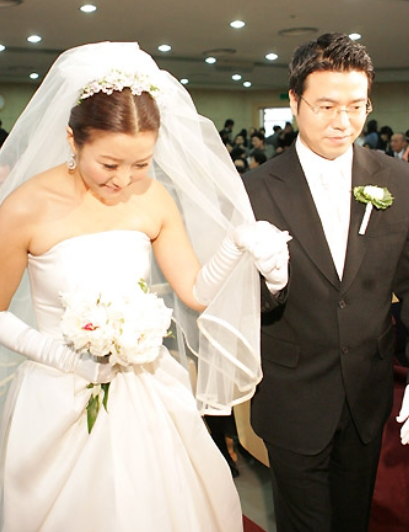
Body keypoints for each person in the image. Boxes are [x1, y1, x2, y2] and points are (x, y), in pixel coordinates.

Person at [0, 42, 290, 531]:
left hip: (144, 387)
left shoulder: (152, 197)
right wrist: (64, 359)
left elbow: (195, 292)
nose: (124, 180)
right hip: (56, 392)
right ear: (73, 140)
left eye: (140, 164)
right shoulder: (25, 207)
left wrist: (236, 245)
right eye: (109, 164)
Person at [243, 32, 409, 532]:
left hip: (367, 394)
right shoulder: (252, 190)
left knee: (354, 519)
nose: (343, 122)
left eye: (356, 106)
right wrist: (271, 284)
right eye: (327, 106)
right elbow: (231, 299)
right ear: (295, 102)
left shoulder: (398, 181)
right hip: (292, 395)